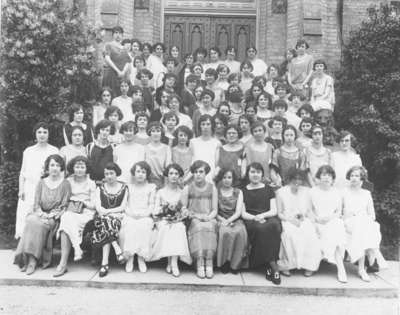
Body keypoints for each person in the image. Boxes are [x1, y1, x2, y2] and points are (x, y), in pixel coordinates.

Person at [14, 154, 71, 275]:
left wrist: (49, 216)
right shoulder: (41, 183)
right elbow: (36, 204)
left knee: (36, 223)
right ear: (47, 167)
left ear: (61, 167)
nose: (54, 168)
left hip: (54, 218)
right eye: (52, 165)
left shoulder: (65, 184)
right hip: (40, 214)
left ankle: (31, 261)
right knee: (31, 221)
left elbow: (64, 205)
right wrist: (42, 215)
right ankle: (30, 260)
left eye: (57, 165)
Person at [53, 156, 96, 277]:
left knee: (66, 221)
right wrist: (72, 201)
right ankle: (75, 249)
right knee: (67, 218)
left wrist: (83, 203)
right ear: (73, 168)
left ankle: (63, 263)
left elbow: (94, 205)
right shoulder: (68, 181)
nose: (79, 169)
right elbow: (63, 199)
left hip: (86, 214)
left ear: (87, 168)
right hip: (70, 212)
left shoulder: (91, 183)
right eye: (77, 166)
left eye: (82, 167)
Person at [343, 166, 388, 281]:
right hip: (348, 221)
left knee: (364, 227)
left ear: (362, 178)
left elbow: (372, 215)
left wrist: (362, 217)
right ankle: (367, 263)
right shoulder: (344, 192)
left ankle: (362, 268)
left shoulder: (366, 194)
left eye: (357, 176)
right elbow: (339, 212)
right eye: (352, 175)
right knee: (361, 227)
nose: (354, 178)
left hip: (363, 223)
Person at [15, 122, 59, 239]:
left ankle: (38, 245)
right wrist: (21, 189)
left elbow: (58, 172)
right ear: (35, 134)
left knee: (40, 218)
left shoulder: (54, 150)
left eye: (45, 132)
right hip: (29, 188)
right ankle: (23, 246)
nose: (42, 135)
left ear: (48, 134)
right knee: (25, 215)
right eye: (39, 132)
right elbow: (22, 173)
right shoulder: (28, 151)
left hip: (46, 188)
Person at [241, 162, 282, 285]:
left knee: (275, 226)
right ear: (248, 174)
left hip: (267, 216)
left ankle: (269, 265)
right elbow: (243, 213)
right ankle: (273, 266)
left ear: (262, 175)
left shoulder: (268, 189)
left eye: (258, 172)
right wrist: (255, 218)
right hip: (251, 219)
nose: (255, 175)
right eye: (252, 172)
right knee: (260, 229)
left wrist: (262, 216)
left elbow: (274, 210)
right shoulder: (243, 191)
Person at [276, 169, 321, 276]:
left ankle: (309, 265)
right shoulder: (281, 192)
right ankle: (288, 265)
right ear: (289, 179)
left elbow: (309, 210)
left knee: (309, 232)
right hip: (287, 220)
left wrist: (312, 222)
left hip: (303, 219)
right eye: (294, 179)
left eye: (300, 179)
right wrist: (291, 220)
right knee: (290, 234)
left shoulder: (306, 191)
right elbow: (280, 213)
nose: (297, 181)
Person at [151, 164, 192, 277]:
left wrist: (183, 212)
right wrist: (165, 208)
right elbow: (155, 211)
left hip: (177, 220)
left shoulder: (182, 192)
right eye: (171, 173)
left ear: (179, 176)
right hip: (162, 219)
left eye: (176, 174)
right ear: (167, 176)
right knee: (166, 227)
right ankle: (171, 262)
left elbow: (184, 208)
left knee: (179, 228)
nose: (173, 176)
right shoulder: (160, 192)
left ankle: (173, 262)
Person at [309, 165, 347, 282]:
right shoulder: (312, 191)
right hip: (316, 220)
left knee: (335, 228)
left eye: (329, 175)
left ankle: (341, 269)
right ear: (319, 177)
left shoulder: (337, 192)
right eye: (324, 175)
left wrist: (329, 218)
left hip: (332, 220)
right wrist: (316, 220)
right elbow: (309, 210)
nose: (326, 178)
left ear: (333, 178)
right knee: (313, 230)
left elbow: (338, 212)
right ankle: (312, 265)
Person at [181, 160, 218, 279]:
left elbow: (214, 210)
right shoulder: (188, 188)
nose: (198, 174)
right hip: (194, 218)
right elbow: (183, 208)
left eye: (201, 171)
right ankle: (199, 261)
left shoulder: (212, 188)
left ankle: (209, 261)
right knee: (199, 227)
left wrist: (208, 217)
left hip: (208, 217)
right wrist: (193, 215)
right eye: (195, 172)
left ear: (206, 173)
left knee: (210, 226)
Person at [91, 162, 127, 277]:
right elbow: (98, 207)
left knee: (107, 223)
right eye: (106, 174)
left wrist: (109, 213)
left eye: (111, 173)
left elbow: (123, 206)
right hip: (102, 217)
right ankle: (117, 249)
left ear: (117, 174)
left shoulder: (124, 187)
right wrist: (107, 214)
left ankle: (104, 263)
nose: (109, 176)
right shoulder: (100, 188)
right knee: (106, 222)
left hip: (117, 217)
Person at [119, 161, 156, 273]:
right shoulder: (128, 187)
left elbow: (151, 204)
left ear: (147, 174)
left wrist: (144, 214)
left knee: (144, 226)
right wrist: (131, 213)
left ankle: (141, 257)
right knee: (130, 226)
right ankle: (130, 258)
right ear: (134, 174)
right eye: (138, 171)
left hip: (145, 215)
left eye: (143, 172)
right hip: (130, 214)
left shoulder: (151, 187)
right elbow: (124, 204)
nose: (140, 174)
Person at [215, 168, 248, 273]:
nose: (226, 180)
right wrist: (223, 221)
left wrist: (229, 221)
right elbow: (214, 211)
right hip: (220, 218)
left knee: (240, 232)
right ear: (220, 179)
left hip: (235, 219)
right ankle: (224, 263)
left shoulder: (238, 192)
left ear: (233, 179)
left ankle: (235, 264)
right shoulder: (216, 191)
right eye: (224, 177)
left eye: (229, 177)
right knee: (224, 232)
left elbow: (238, 212)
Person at [190, 114, 221, 182]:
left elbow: (217, 164)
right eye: (203, 124)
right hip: (195, 177)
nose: (205, 127)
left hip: (210, 178)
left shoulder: (217, 143)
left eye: (208, 124)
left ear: (212, 126)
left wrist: (214, 176)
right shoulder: (193, 142)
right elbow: (191, 161)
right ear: (200, 126)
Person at [102, 26, 131, 97]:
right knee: (110, 94)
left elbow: (128, 61)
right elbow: (107, 58)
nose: (118, 35)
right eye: (116, 33)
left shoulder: (124, 48)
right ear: (113, 35)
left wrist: (123, 72)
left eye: (120, 33)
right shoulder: (109, 45)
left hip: (121, 76)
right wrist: (117, 71)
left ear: (122, 35)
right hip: (111, 74)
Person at [144, 122, 172, 188]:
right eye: (153, 131)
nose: (155, 133)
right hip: (148, 182)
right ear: (149, 133)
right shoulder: (145, 148)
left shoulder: (166, 148)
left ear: (161, 133)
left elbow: (168, 166)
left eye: (158, 131)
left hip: (163, 181)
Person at [87, 119, 114, 185]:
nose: (104, 132)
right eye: (102, 130)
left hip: (108, 182)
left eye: (107, 130)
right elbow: (87, 165)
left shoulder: (113, 147)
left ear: (110, 132)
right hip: (92, 183)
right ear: (98, 130)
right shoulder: (90, 146)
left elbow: (114, 166)